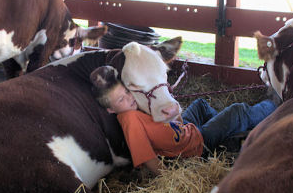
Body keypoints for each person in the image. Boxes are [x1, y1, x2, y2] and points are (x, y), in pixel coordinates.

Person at [90, 66, 277, 175]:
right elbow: (147, 158)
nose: (129, 98)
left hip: (181, 128)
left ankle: (225, 137)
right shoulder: (130, 120)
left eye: (126, 92)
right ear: (110, 109)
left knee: (200, 104)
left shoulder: (133, 106)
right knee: (237, 111)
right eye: (121, 99)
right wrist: (170, 177)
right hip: (195, 144)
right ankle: (276, 105)